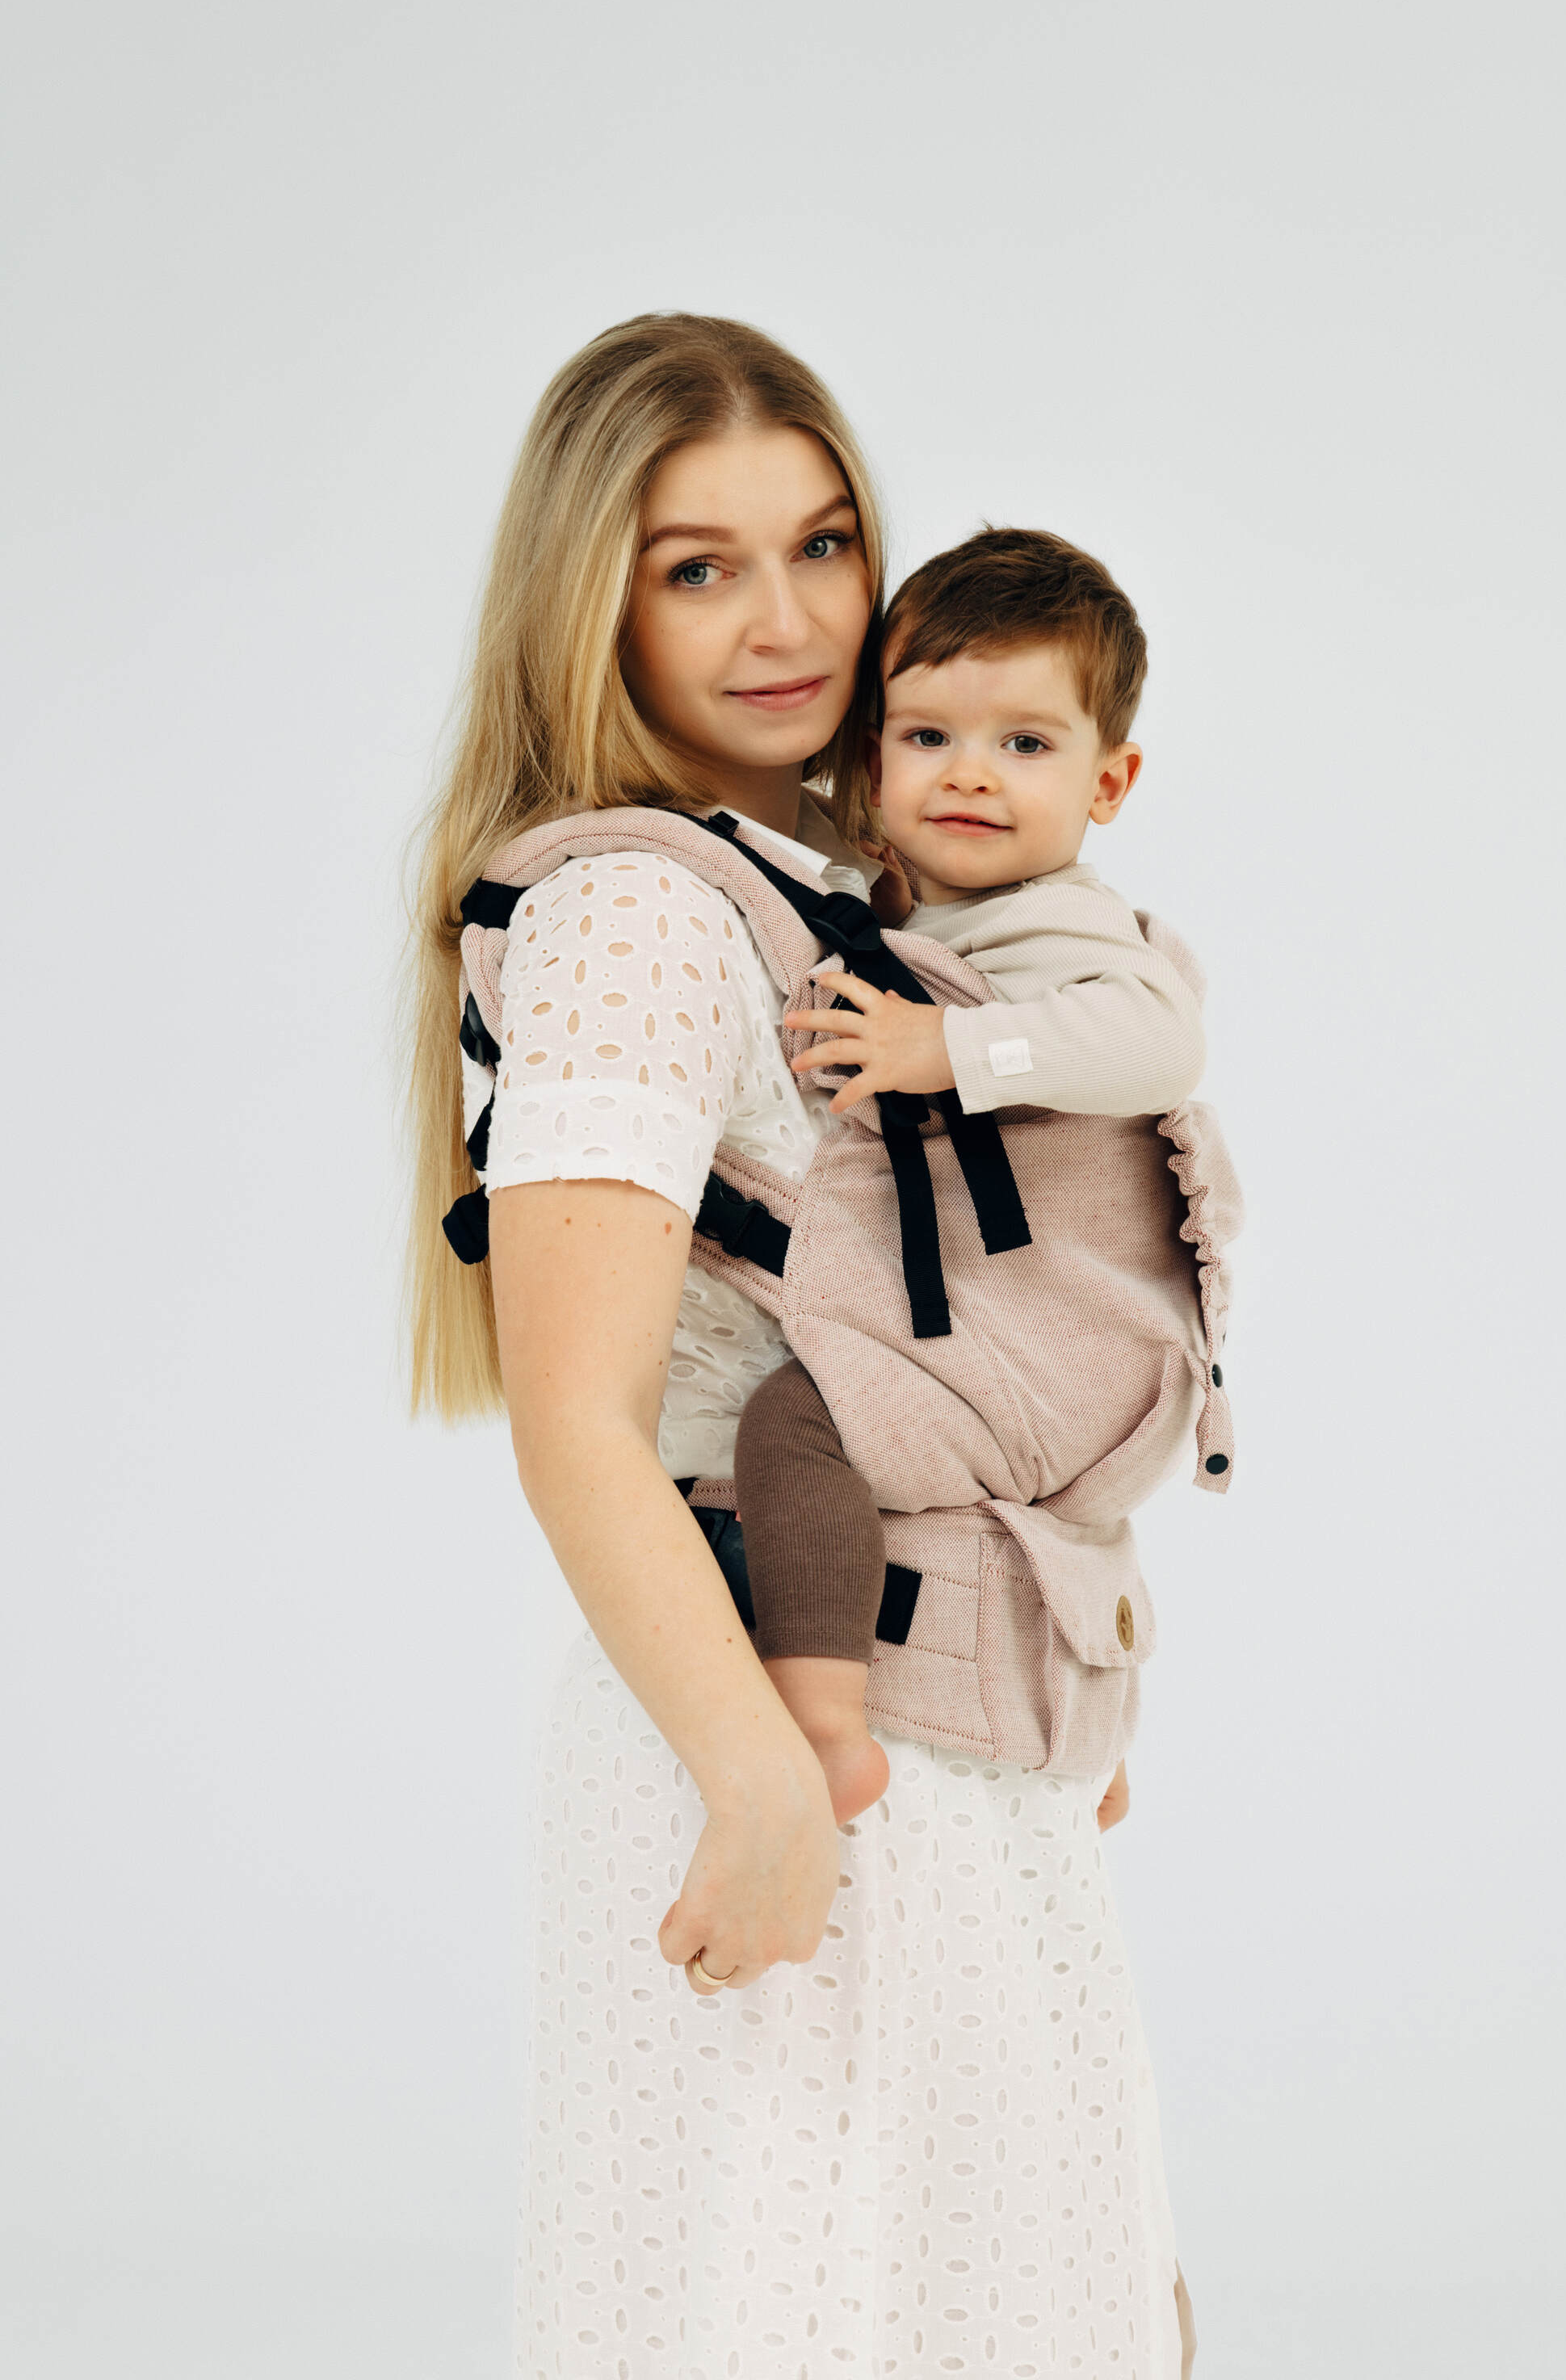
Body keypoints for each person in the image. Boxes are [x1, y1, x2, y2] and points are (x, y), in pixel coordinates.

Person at [407, 311, 1194, 2376]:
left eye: (824, 544)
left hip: (937, 1719)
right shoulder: (638, 913)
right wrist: (762, 1779)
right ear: (592, 602)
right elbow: (578, 1416)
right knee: (781, 2311)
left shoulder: (853, 891)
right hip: (777, 1721)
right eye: (699, 567)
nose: (788, 622)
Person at [733, 527, 1207, 1827]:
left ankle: (821, 1722)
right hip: (1053, 1350)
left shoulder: (1059, 921)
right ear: (872, 754)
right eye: (928, 736)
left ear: (1110, 782)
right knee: (1038, 1521)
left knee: (801, 1425)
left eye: (1027, 744)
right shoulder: (916, 901)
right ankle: (1083, 1732)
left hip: (1061, 1333)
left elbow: (1163, 1041)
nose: (970, 775)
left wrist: (943, 1048)